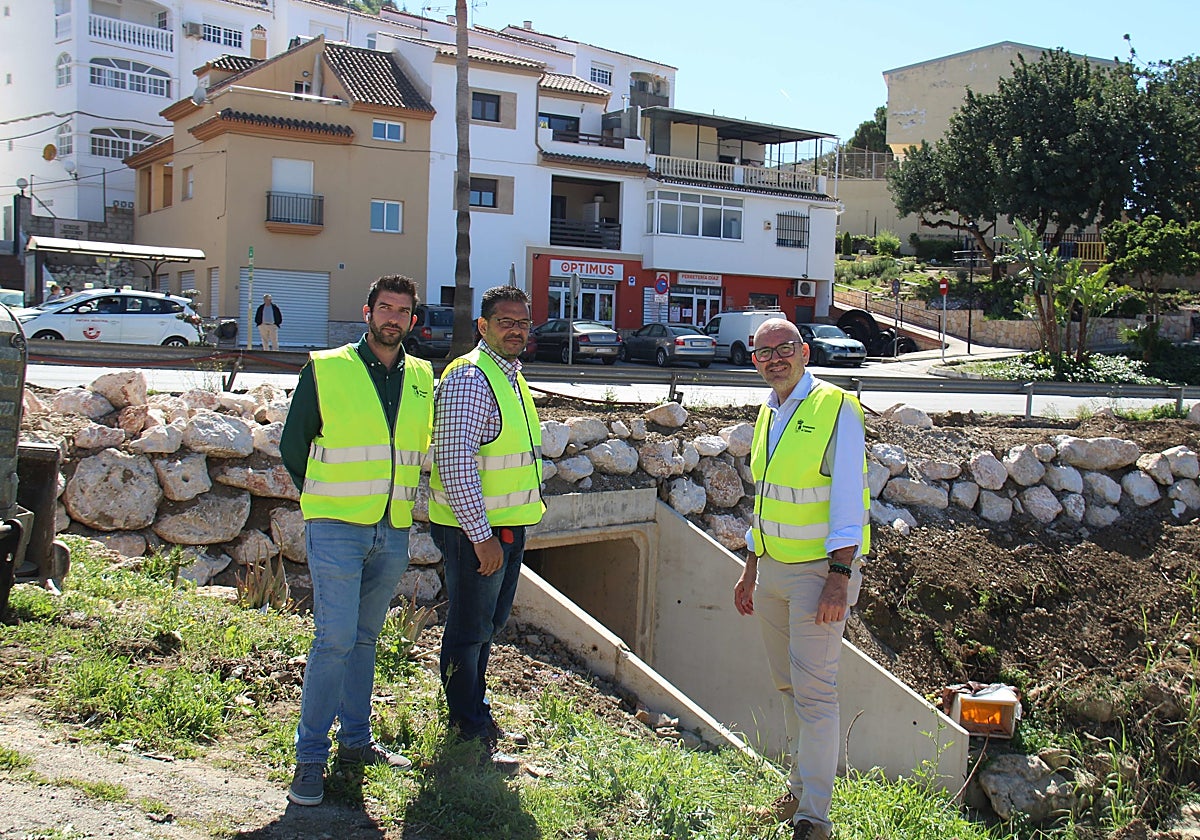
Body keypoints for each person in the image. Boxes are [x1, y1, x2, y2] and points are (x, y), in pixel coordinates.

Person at [279, 274, 433, 807]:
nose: (393, 318)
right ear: (367, 312)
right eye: (384, 308)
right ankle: (309, 759)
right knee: (335, 639)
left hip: (392, 528)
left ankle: (355, 742)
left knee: (365, 639)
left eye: (402, 311)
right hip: (337, 527)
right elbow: (294, 444)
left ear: (413, 320)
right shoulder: (327, 368)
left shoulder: (422, 376)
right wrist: (323, 500)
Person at [732, 318, 870, 840]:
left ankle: (814, 817)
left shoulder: (836, 407)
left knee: (815, 696)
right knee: (789, 688)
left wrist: (840, 576)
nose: (775, 359)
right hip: (771, 570)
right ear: (754, 361)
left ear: (805, 352)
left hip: (818, 574)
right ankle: (796, 793)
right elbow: (765, 499)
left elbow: (848, 500)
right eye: (763, 353)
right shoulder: (768, 411)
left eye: (784, 349)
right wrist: (751, 566)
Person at [428, 285, 542, 770]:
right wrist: (481, 537)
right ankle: (466, 726)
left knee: (487, 625)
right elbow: (456, 465)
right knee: (470, 627)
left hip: (504, 526)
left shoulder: (509, 375)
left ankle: (476, 710)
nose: (516, 330)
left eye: (523, 323)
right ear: (483, 326)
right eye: (505, 322)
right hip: (476, 531)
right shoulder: (471, 378)